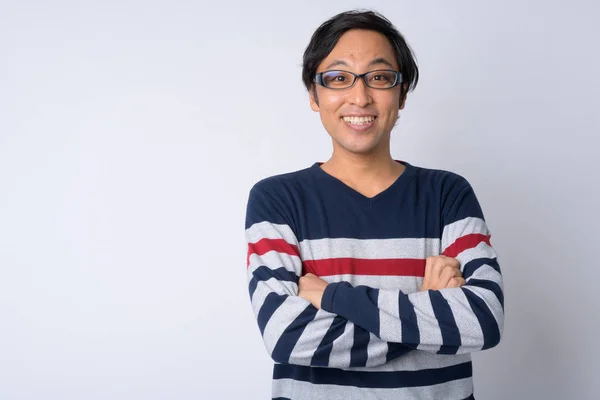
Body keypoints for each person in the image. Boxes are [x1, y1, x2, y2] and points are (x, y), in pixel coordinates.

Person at [244, 9, 504, 400]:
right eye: (338, 78)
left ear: (401, 94)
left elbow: (482, 322)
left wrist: (330, 297)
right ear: (314, 96)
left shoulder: (448, 194)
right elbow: (287, 338)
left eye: (379, 77)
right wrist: (426, 308)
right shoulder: (278, 199)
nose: (360, 96)